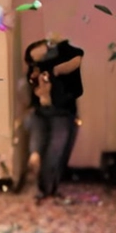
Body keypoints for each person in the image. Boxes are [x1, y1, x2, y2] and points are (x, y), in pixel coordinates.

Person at [23, 35, 83, 201]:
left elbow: (76, 59)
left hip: (58, 111)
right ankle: (46, 187)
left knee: (53, 149)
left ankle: (46, 187)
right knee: (53, 149)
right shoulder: (38, 69)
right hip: (49, 111)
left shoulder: (62, 58)